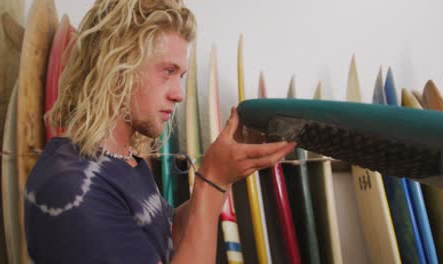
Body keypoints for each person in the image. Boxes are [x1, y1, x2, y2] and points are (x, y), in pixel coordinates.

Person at [24, 0, 296, 263]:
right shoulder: (72, 186)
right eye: (168, 71)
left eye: (181, 76)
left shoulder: (119, 162)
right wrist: (212, 180)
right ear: (118, 66)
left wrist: (224, 175)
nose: (179, 95)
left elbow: (164, 233)